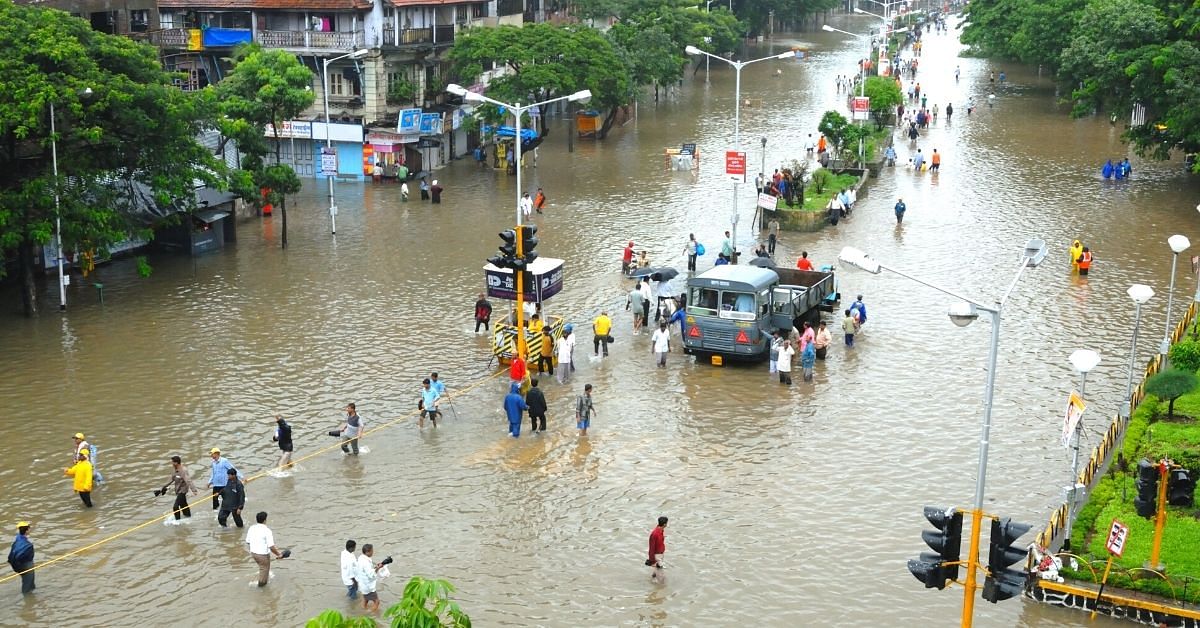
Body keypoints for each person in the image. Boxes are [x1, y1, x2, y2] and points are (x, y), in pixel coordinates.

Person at [245, 511, 286, 587]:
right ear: (264, 520)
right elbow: (271, 546)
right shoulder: (267, 531)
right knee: (264, 574)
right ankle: (261, 591)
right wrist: (279, 554)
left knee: (262, 568)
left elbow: (248, 541)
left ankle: (260, 584)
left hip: (253, 553)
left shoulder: (252, 528)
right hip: (263, 555)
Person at [158, 455, 199, 520]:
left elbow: (188, 481)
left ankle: (177, 522)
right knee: (184, 505)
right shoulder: (175, 470)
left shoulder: (183, 470)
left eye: (172, 462)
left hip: (182, 491)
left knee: (175, 507)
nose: (171, 464)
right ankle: (189, 518)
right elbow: (170, 480)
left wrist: (194, 490)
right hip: (178, 490)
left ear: (176, 463)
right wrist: (162, 488)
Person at [8, 522, 34, 594]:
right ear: (27, 530)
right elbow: (27, 556)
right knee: (27, 584)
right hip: (26, 566)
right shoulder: (28, 545)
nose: (30, 529)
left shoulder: (18, 539)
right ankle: (28, 600)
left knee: (28, 581)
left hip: (18, 565)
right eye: (29, 528)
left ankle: (31, 593)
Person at [357, 543, 384, 612]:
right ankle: (369, 614)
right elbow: (371, 575)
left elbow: (366, 570)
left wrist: (375, 567)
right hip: (368, 586)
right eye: (372, 551)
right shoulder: (366, 562)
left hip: (363, 585)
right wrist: (378, 568)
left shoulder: (361, 558)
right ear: (368, 552)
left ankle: (362, 610)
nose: (373, 552)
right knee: (377, 602)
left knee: (365, 600)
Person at [647, 516, 668, 582]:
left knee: (657, 571)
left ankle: (652, 581)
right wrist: (652, 560)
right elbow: (651, 547)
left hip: (660, 554)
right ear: (664, 524)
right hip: (657, 556)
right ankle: (662, 588)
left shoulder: (661, 530)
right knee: (662, 577)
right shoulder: (655, 534)